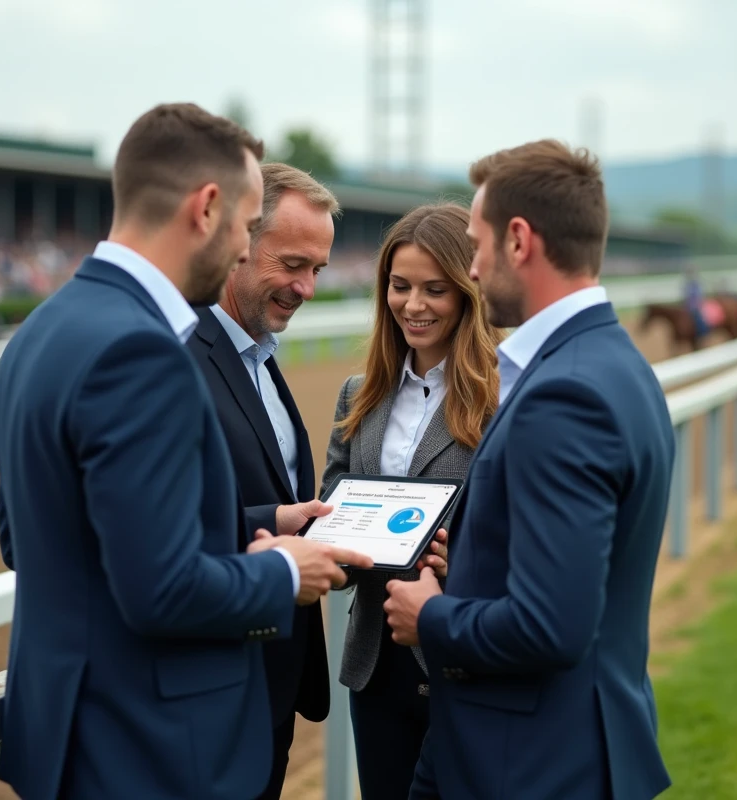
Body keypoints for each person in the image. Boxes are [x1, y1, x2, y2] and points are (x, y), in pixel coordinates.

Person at [0, 103, 372, 800]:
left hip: (74, 739)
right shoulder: (143, 350)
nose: (240, 249)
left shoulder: (43, 331)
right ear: (207, 208)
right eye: (247, 226)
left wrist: (250, 523)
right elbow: (161, 591)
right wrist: (284, 572)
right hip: (156, 749)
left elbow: (46, 534)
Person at [384, 141, 676, 800]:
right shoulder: (616, 363)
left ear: (519, 240)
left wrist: (431, 614)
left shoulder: (563, 395)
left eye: (477, 243)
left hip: (527, 762)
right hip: (541, 745)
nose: (474, 267)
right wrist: (480, 562)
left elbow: (552, 626)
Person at [321, 203, 502, 799]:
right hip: (375, 668)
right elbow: (333, 503)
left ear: (468, 293)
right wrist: (329, 543)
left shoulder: (504, 401)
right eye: (400, 287)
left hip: (463, 657)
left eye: (435, 289)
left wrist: (466, 566)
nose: (414, 305)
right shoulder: (359, 394)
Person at [185, 162, 340, 800]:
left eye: (318, 271)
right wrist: (270, 525)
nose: (306, 287)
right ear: (242, 241)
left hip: (268, 692)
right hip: (208, 695)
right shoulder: (174, 356)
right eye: (292, 264)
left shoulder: (260, 355)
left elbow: (275, 501)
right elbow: (173, 523)